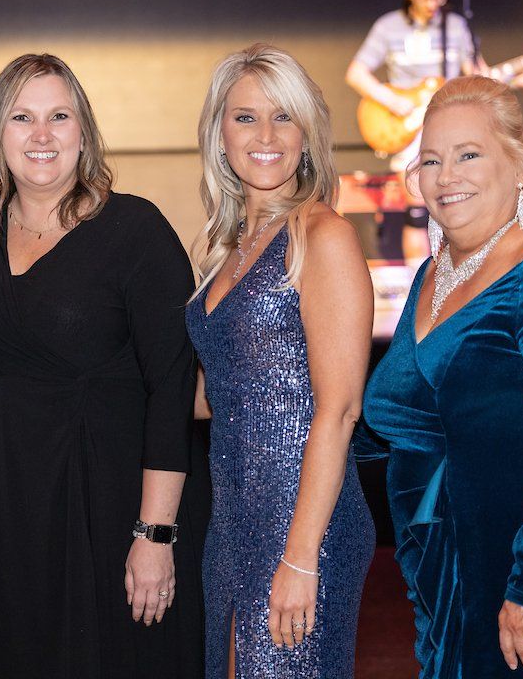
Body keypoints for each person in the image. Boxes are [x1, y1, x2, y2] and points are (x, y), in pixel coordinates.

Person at [359, 76, 523, 677]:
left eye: (469, 154)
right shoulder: (433, 275)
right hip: (448, 573)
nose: (447, 175)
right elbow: (403, 415)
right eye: (431, 160)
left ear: (519, 166)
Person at [0, 53, 209, 678]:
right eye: (22, 117)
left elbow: (171, 387)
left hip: (113, 501)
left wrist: (155, 534)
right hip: (11, 509)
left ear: (84, 132)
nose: (41, 135)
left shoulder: (135, 229)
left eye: (59, 117)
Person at [186, 44, 376, 677]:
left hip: (304, 522)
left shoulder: (322, 236)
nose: (264, 136)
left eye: (283, 117)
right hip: (233, 519)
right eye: (245, 117)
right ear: (219, 131)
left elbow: (341, 409)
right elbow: (221, 396)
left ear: (308, 133)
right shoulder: (225, 246)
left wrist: (300, 556)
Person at [346, 0, 523, 260]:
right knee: (417, 211)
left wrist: (521, 77)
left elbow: (479, 76)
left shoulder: (455, 27)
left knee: (459, 208)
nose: (432, 4)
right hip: (412, 128)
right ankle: (419, 286)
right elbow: (356, 73)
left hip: (451, 125)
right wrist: (396, 103)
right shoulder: (389, 27)